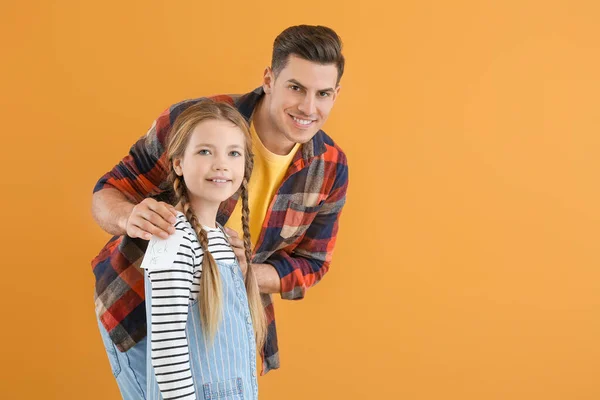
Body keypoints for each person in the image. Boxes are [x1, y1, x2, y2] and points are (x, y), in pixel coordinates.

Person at [91, 24, 349, 399]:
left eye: (323, 94)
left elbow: (313, 263)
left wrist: (245, 272)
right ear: (268, 79)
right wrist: (128, 218)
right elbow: (108, 192)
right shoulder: (194, 121)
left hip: (226, 319)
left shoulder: (330, 167)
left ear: (335, 95)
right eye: (296, 88)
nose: (308, 108)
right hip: (141, 311)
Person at [142, 99, 264, 400]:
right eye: (205, 151)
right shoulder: (174, 238)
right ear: (179, 163)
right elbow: (168, 348)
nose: (221, 163)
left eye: (233, 153)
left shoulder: (223, 238)